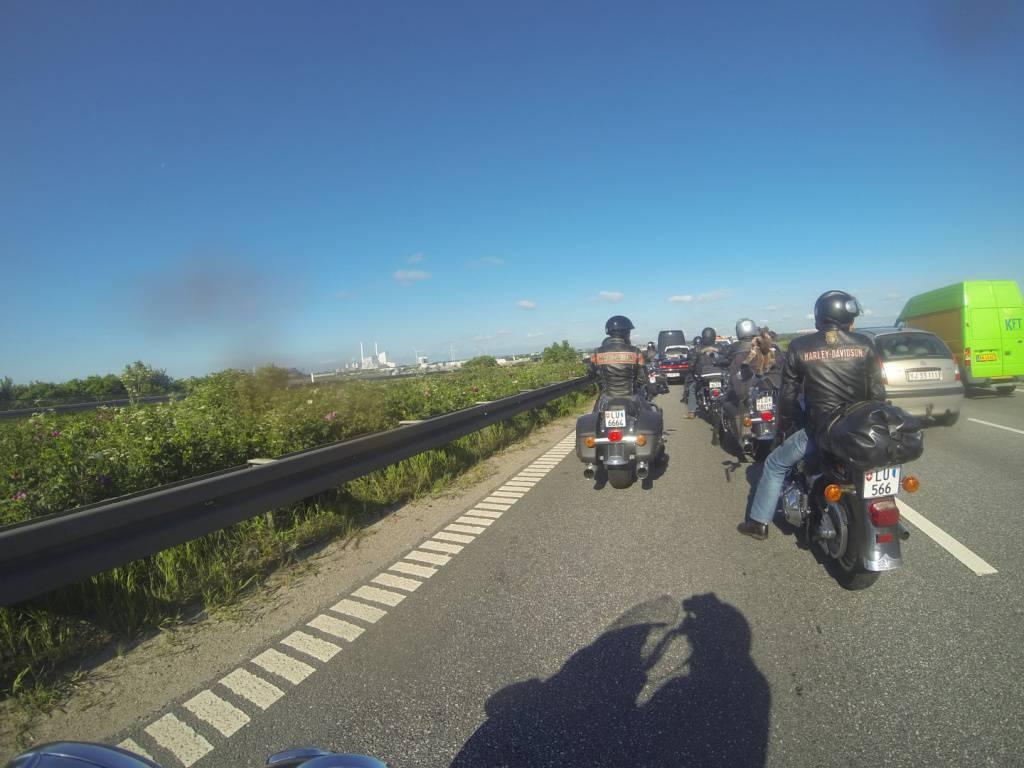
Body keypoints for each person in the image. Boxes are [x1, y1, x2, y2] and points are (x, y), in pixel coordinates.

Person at [738, 291, 886, 540]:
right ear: (847, 318)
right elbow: (878, 394)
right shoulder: (865, 343)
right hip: (860, 429)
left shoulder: (800, 346)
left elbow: (788, 395)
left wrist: (784, 425)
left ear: (820, 317)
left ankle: (758, 524)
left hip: (821, 431)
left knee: (774, 464)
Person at [682, 326, 721, 418]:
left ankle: (691, 412)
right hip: (719, 375)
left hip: (703, 376)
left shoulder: (697, 349)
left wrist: (692, 370)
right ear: (714, 336)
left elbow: (692, 363)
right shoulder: (720, 347)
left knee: (692, 389)